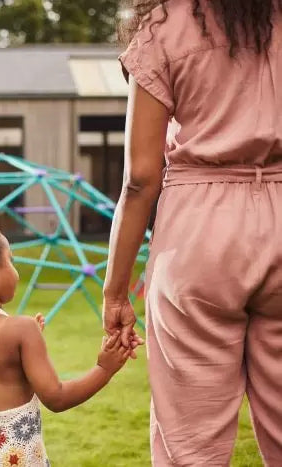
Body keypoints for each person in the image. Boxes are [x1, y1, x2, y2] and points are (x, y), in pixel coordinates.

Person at [103, 0, 282, 465]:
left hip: (197, 232)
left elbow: (140, 179)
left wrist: (115, 292)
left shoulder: (164, 27)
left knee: (190, 445)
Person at [0, 213, 131, 467]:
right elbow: (57, 398)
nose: (16, 272)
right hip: (12, 455)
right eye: (11, 261)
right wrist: (104, 369)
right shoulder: (20, 329)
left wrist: (24, 346)